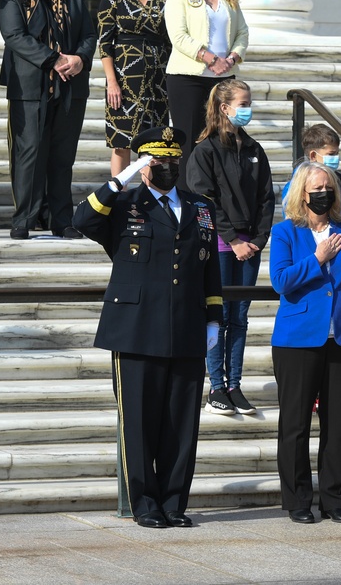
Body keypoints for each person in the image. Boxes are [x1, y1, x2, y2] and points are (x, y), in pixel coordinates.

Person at [73, 126, 223, 530]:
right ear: (143, 165)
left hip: (187, 327)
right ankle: (144, 503)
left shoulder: (200, 206)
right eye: (158, 161)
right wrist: (119, 179)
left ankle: (174, 501)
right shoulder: (124, 203)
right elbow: (81, 219)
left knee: (181, 421)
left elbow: (209, 268)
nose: (167, 167)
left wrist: (213, 318)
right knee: (139, 422)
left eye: (173, 160)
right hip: (136, 329)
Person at [270, 162, 341, 525]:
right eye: (317, 188)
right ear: (303, 193)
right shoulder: (286, 232)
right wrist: (318, 258)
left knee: (338, 425)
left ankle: (335, 500)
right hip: (298, 340)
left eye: (329, 187)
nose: (324, 193)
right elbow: (281, 281)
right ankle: (297, 499)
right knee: (296, 424)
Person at [186, 79, 275, 416]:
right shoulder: (205, 151)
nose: (248, 108)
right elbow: (204, 201)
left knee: (240, 318)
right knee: (218, 316)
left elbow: (267, 198)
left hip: (250, 246)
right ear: (224, 108)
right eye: (243, 103)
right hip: (222, 245)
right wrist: (233, 240)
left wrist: (256, 240)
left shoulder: (254, 150)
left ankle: (234, 384)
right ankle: (216, 385)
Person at [0, 0, 95, 240]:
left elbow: (90, 36)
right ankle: (24, 217)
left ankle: (61, 218)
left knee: (62, 156)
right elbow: (14, 36)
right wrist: (52, 59)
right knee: (30, 153)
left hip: (69, 87)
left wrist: (79, 59)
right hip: (30, 87)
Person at [164, 0, 249, 190]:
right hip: (188, 77)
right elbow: (178, 35)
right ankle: (187, 197)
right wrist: (210, 58)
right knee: (189, 140)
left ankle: (219, 195)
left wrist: (232, 58)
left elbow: (242, 32)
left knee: (223, 138)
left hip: (224, 78)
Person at [98, 0, 171, 176]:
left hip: (157, 80)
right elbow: (105, 43)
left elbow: (170, 39)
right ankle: (117, 200)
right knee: (122, 143)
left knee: (154, 145)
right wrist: (111, 82)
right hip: (125, 78)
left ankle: (149, 200)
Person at [281, 124, 341, 240]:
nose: (336, 158)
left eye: (337, 153)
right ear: (313, 155)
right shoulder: (293, 188)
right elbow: (293, 220)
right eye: (331, 154)